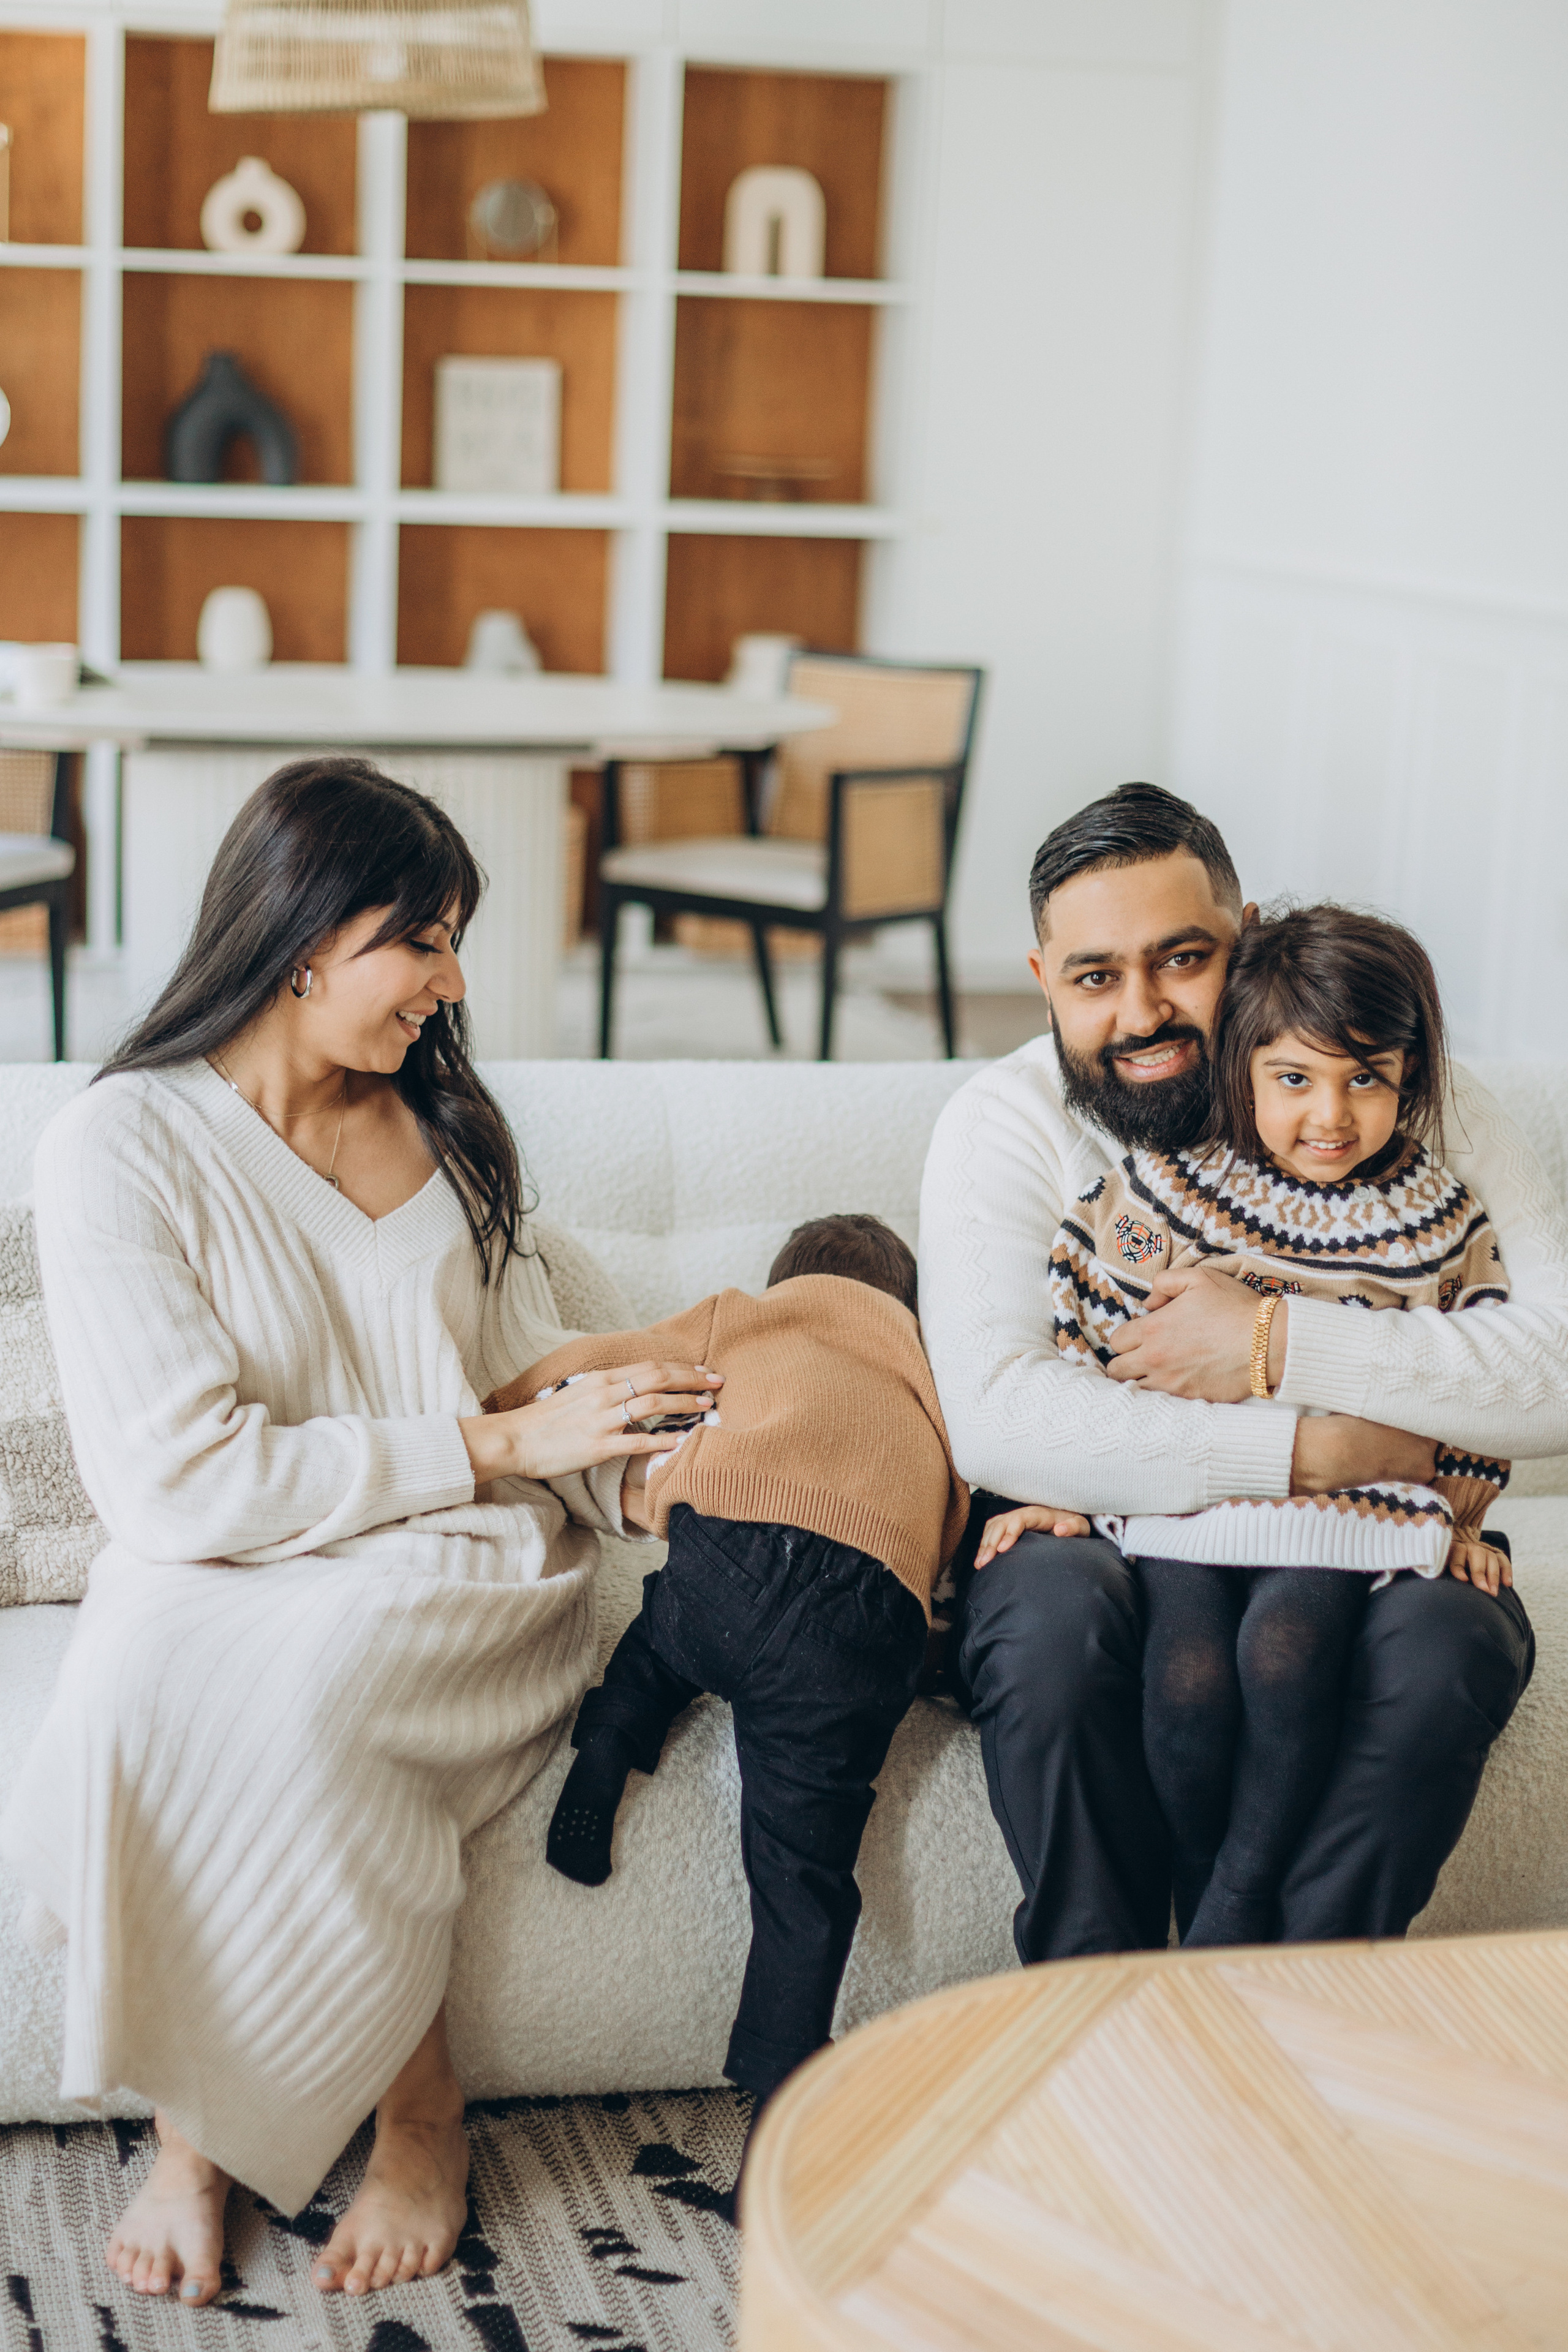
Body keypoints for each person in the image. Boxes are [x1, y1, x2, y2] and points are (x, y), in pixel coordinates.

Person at [0, 757, 720, 2308]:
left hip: (456, 1557)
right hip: (215, 1552)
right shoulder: (118, 1145)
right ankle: (200, 2137)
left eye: (455, 939)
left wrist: (636, 1468)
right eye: (426, 938)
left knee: (312, 1688)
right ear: (305, 938)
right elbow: (175, 1488)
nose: (451, 982)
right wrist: (494, 1436)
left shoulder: (448, 1128)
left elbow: (530, 1392)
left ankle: (411, 2111)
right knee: (132, 1690)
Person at [918, 782, 1563, 1961]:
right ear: (1043, 975)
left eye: (1183, 958)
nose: (1145, 1010)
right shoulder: (1003, 1122)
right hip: (1102, 1529)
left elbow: (1552, 1365)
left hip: (1376, 1527)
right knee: (1052, 1628)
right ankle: (1094, 2009)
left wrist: (1272, 1342)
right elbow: (1003, 1413)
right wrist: (1319, 1446)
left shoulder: (1385, 1089)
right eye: (1095, 975)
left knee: (1450, 1646)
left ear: (1248, 935)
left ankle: (1290, 1996)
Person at [486, 1213, 967, 2138]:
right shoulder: (931, 1380)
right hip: (860, 1627)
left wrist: (507, 1399)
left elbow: (620, 1354)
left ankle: (608, 1749)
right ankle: (778, 2113)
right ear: (908, 1306)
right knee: (801, 1875)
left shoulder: (748, 1316)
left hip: (731, 1562)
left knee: (663, 1636)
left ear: (786, 1278)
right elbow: (948, 1513)